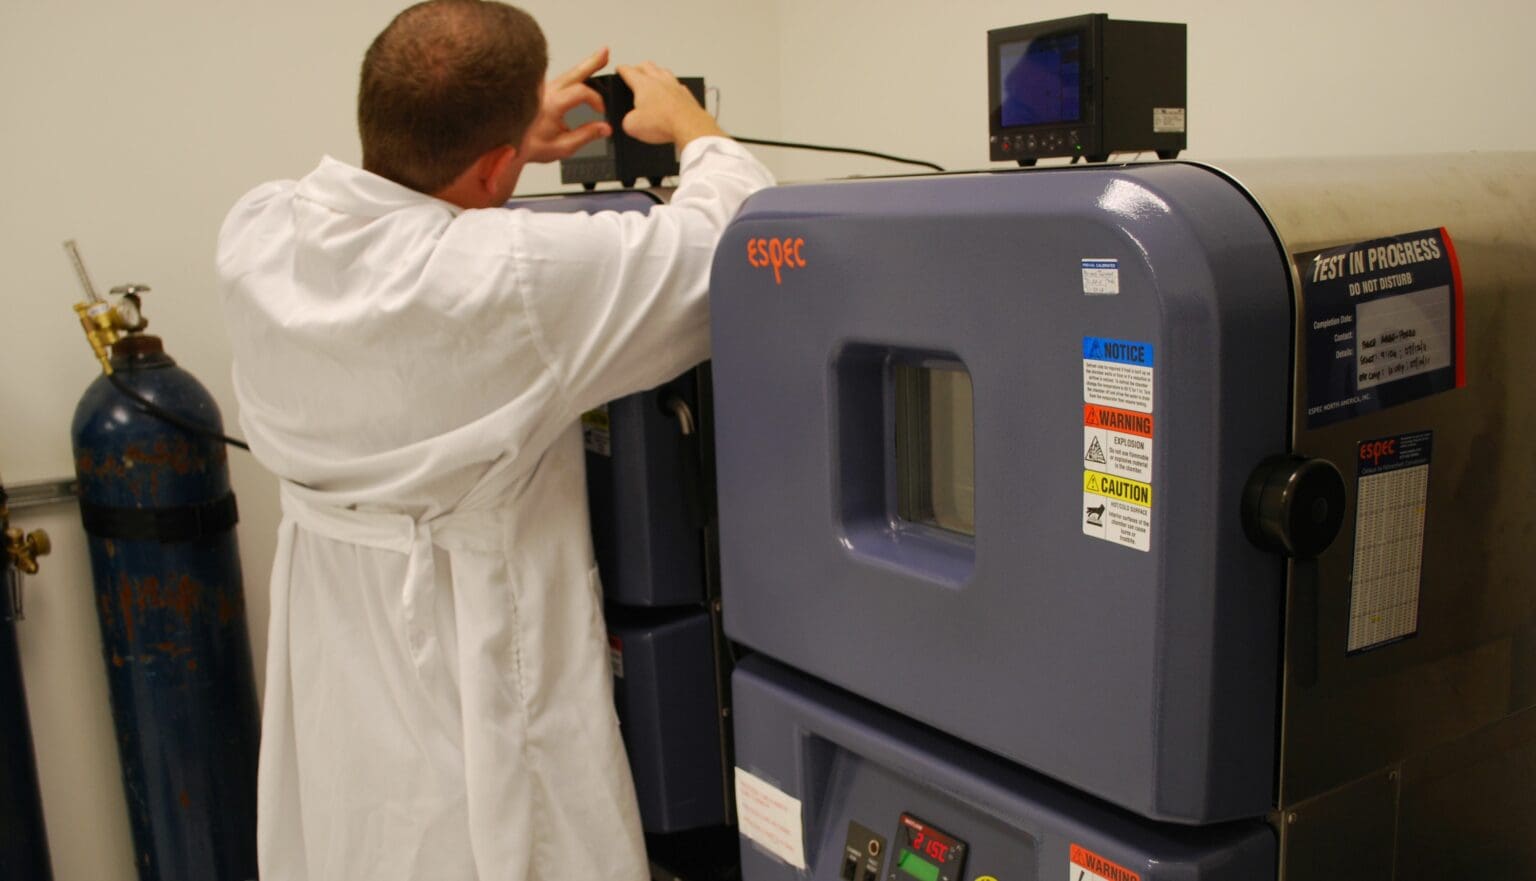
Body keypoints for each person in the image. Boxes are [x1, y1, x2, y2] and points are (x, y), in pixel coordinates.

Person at [216, 2, 775, 879]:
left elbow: (392, 176)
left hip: (338, 661)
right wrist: (697, 130)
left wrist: (501, 143)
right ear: (494, 167)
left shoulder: (256, 233)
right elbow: (726, 251)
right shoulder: (500, 278)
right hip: (469, 663)